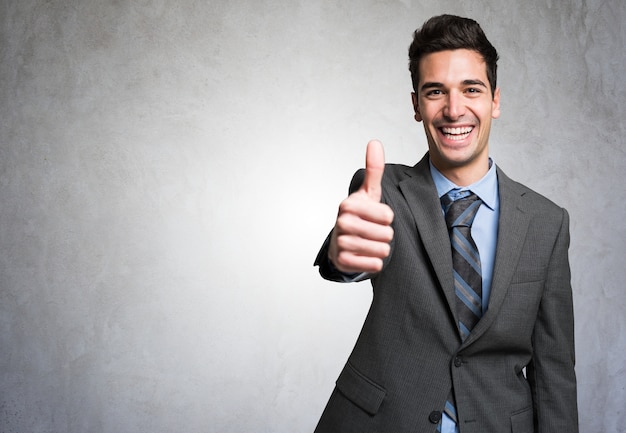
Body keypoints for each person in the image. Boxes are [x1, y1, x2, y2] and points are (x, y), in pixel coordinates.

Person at [313, 14, 578, 433]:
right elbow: (354, 251)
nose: (454, 110)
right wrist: (343, 255)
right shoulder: (383, 191)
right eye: (436, 92)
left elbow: (555, 373)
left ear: (495, 100)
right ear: (417, 105)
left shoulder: (547, 223)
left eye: (471, 89)